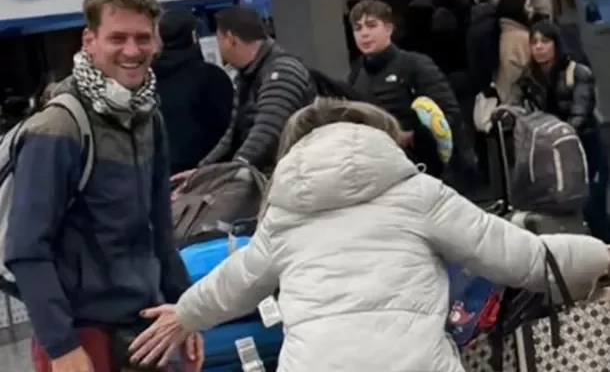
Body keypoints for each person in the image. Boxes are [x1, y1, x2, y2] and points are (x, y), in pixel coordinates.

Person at [128, 99, 610, 372]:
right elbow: (525, 258)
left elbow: (235, 281)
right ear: (379, 139)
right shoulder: (418, 194)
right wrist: (602, 257)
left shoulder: (284, 214)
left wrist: (184, 314)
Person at [3, 0, 201, 372]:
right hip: (82, 334)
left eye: (142, 38)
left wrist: (187, 312)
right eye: (117, 38)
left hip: (146, 324)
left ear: (156, 42)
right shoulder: (58, 128)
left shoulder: (148, 118)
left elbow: (161, 232)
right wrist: (61, 346)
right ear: (89, 41)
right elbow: (26, 249)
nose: (132, 50)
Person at [171, 6, 316, 187]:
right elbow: (232, 134)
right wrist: (202, 171)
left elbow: (267, 132)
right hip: (272, 177)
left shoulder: (282, 72)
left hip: (294, 180)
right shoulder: (248, 75)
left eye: (218, 39)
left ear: (230, 39)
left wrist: (231, 172)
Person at [346, 0, 471, 180]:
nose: (364, 33)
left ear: (388, 29)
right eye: (358, 28)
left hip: (422, 169)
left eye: (372, 25)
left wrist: (413, 137)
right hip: (376, 170)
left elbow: (449, 115)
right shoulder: (356, 72)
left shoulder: (416, 65)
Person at [513, 20, 610, 243]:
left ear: (556, 44)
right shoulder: (528, 79)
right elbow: (527, 113)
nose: (539, 47)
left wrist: (561, 132)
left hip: (586, 147)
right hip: (553, 153)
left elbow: (581, 111)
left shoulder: (577, 72)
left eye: (545, 41)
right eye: (534, 42)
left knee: (593, 207)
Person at [154, 8, 233, 175]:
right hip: (207, 171)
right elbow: (230, 127)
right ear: (192, 35)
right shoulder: (211, 76)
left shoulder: (148, 78)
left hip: (162, 171)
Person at [494, 0, 534, 102]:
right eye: (528, 6)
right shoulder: (522, 38)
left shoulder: (502, 34)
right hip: (518, 101)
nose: (532, 10)